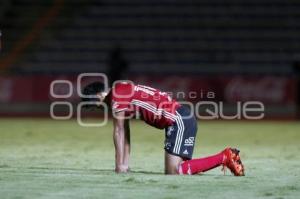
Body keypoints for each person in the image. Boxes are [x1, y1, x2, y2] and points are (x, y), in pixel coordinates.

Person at [81, 81, 245, 175]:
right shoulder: (121, 91)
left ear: (98, 96)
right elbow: (125, 131)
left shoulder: (117, 96)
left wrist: (119, 166)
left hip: (178, 120)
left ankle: (225, 156)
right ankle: (225, 157)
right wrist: (124, 164)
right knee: (182, 171)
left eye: (97, 106)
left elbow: (119, 131)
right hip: (179, 119)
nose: (101, 109)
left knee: (174, 171)